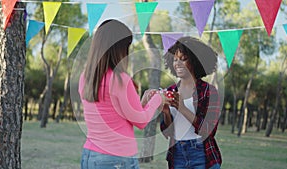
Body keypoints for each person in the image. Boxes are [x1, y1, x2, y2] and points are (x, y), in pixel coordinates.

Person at [78, 19, 167, 169]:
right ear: (118, 49)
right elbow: (141, 121)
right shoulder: (120, 80)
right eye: (127, 48)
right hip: (117, 159)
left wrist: (143, 102)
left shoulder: (85, 77)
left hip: (90, 156)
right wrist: (158, 99)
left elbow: (118, 113)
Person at [160, 36, 222, 169]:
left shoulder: (209, 91)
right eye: (175, 59)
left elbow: (208, 131)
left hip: (201, 153)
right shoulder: (170, 91)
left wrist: (182, 108)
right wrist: (166, 113)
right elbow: (167, 133)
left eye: (183, 59)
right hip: (177, 154)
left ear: (195, 61)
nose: (178, 63)